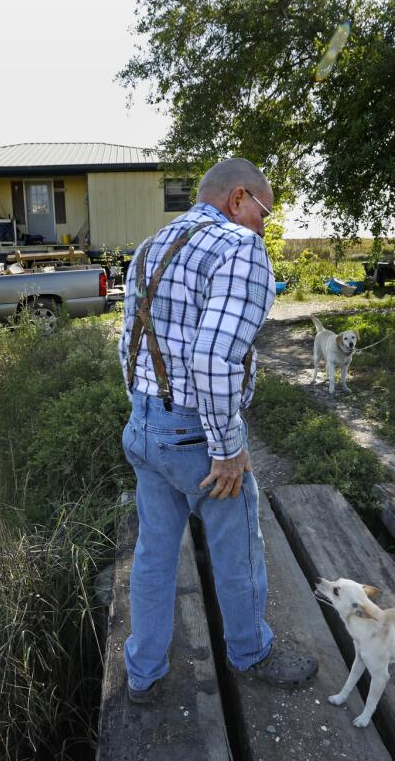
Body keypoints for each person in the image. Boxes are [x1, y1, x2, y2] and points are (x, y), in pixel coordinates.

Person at [118, 157, 318, 703]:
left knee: (154, 554)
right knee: (239, 550)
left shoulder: (151, 246)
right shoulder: (240, 247)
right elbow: (212, 357)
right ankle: (251, 653)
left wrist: (147, 411)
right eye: (264, 212)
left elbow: (126, 343)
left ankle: (143, 673)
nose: (264, 226)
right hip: (196, 439)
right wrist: (227, 451)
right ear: (238, 199)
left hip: (144, 425)